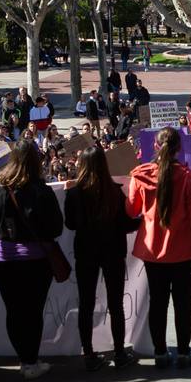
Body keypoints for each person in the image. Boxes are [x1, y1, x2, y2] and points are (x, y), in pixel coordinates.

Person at [0, 140, 63, 379]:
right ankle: (31, 360)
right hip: (35, 261)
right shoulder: (41, 189)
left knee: (13, 310)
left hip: (2, 260)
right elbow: (56, 227)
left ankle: (24, 359)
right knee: (33, 311)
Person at [127, 127, 191, 368]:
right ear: (178, 149)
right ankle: (183, 351)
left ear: (155, 146)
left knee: (157, 301)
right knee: (183, 302)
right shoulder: (187, 176)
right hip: (182, 248)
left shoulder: (140, 175)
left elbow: (131, 210)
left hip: (153, 250)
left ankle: (160, 352)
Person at [62, 145, 140, 370]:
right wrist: (143, 219)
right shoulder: (114, 191)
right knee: (116, 304)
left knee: (86, 303)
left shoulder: (75, 194)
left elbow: (70, 224)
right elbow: (126, 224)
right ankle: (119, 352)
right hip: (113, 251)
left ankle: (88, 354)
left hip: (86, 252)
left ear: (82, 165)